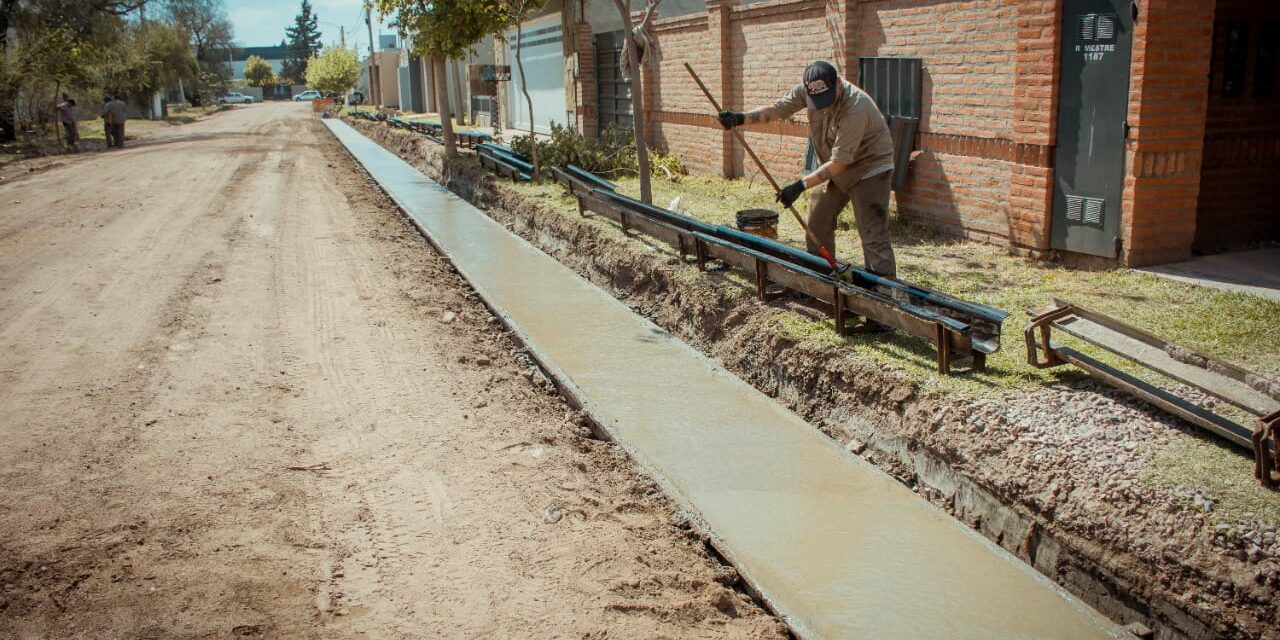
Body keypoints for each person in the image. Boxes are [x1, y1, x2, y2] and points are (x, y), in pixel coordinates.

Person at [718, 60, 897, 281]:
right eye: (817, 102)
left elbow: (840, 162)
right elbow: (778, 110)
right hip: (838, 166)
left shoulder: (856, 108)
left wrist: (800, 185)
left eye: (827, 100)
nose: (823, 106)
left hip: (870, 168)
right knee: (818, 219)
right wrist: (740, 118)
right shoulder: (808, 90)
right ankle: (821, 279)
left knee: (872, 233)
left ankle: (884, 295)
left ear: (838, 84)